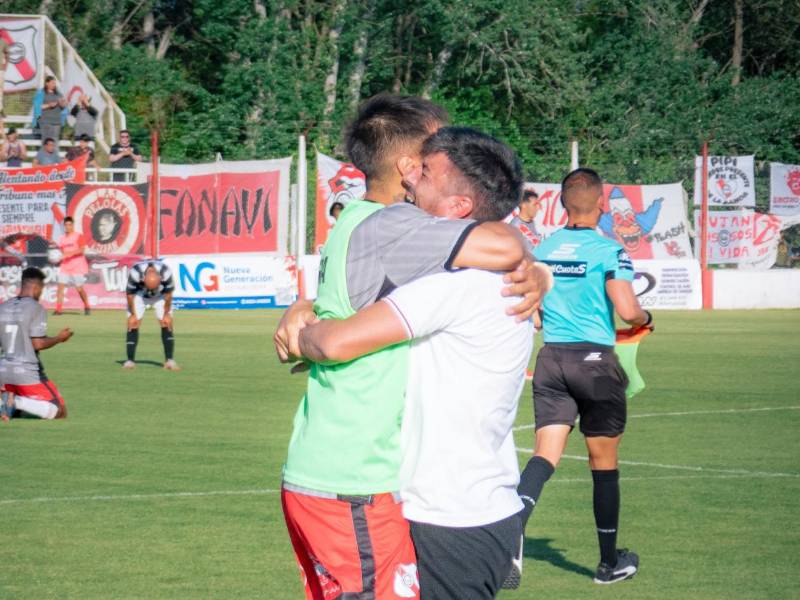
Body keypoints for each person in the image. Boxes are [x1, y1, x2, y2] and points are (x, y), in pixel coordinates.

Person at [275, 95, 547, 600]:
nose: (437, 159)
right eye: (430, 155)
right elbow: (506, 245)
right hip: (358, 474)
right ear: (407, 167)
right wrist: (530, 262)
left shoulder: (363, 223)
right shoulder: (394, 227)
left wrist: (302, 316)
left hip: (351, 471)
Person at [515, 167, 652, 585]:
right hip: (594, 362)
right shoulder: (610, 251)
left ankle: (508, 538)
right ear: (603, 204)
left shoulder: (543, 249)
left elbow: (534, 310)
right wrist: (646, 318)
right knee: (603, 462)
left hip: (552, 360)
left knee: (544, 455)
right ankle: (609, 564)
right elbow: (627, 309)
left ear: (560, 203)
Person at [0, 267, 73, 422]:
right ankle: (15, 400)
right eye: (41, 289)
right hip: (27, 372)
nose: (41, 293)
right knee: (59, 411)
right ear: (36, 286)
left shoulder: (3, 307)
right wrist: (59, 338)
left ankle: (8, 404)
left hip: (3, 372)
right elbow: (37, 343)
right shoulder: (35, 307)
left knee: (20, 411)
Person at [123, 259, 179, 371]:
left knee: (166, 322)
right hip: (140, 295)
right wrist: (133, 314)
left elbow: (168, 295)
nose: (151, 291)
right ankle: (130, 361)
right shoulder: (135, 273)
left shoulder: (166, 272)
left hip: (160, 295)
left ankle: (169, 360)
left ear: (160, 279)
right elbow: (129, 295)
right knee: (132, 323)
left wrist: (166, 313)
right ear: (143, 279)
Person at [54, 216, 91, 316]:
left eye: (69, 225)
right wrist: (58, 258)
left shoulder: (78, 236)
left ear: (73, 225)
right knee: (60, 287)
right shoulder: (61, 238)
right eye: (66, 225)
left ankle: (87, 305)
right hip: (65, 266)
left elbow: (82, 250)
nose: (67, 227)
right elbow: (62, 252)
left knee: (79, 289)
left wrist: (69, 254)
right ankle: (58, 310)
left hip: (77, 266)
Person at [34, 75, 68, 144]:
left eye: (55, 83)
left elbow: (63, 107)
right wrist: (49, 105)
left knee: (55, 142)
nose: (54, 85)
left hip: (56, 122)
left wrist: (62, 103)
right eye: (52, 83)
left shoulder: (59, 94)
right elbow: (37, 107)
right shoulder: (41, 93)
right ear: (47, 83)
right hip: (45, 122)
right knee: (46, 142)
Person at [510, 189, 543, 253]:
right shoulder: (515, 226)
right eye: (535, 204)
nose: (538, 208)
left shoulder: (533, 223)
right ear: (523, 205)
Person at [0, 37, 8, 134]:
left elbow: (7, 54)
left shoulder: (2, 41)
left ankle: (1, 110)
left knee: (0, 91)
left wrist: (6, 65)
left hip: (0, 70)